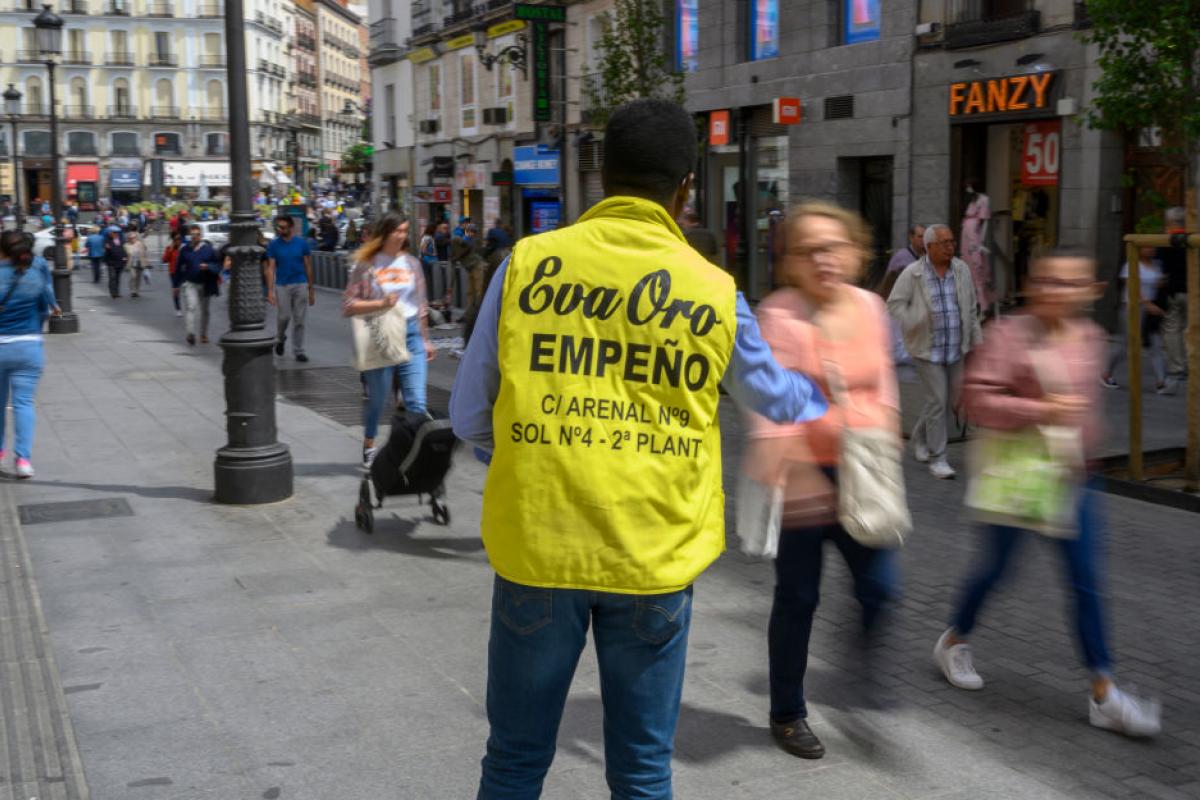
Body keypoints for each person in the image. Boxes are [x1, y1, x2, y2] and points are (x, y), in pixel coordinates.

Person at [449, 98, 827, 799]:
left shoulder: (528, 264)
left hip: (539, 545)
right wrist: (830, 397)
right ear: (686, 186)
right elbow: (775, 398)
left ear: (603, 176)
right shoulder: (714, 291)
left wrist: (531, 457)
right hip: (653, 552)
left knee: (513, 761)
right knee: (643, 770)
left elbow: (469, 413)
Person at [933, 248, 1162, 739]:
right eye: (1049, 281)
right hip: (1017, 477)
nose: (1058, 291)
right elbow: (973, 399)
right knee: (995, 571)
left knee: (1086, 582)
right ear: (1032, 285)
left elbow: (1086, 411)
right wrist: (1039, 410)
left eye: (1071, 283)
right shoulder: (1009, 334)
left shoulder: (1091, 337)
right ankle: (953, 640)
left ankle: (1104, 692)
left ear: (1092, 290)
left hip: (1074, 478)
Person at [749, 202, 901, 760]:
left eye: (833, 247)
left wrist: (887, 432)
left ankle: (854, 668)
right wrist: (795, 463)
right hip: (802, 477)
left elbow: (883, 381)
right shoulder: (779, 315)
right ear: (789, 261)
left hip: (861, 471)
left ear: (856, 253)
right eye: (808, 251)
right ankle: (787, 713)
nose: (823, 259)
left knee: (880, 588)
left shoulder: (871, 307)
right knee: (798, 599)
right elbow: (769, 404)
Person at [887, 223, 983, 479]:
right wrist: (916, 319)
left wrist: (976, 341)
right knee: (938, 401)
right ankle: (938, 458)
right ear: (929, 247)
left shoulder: (961, 269)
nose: (950, 247)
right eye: (944, 243)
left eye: (952, 242)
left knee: (945, 401)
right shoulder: (913, 273)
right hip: (927, 350)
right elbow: (894, 305)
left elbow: (970, 308)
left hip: (956, 347)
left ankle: (919, 437)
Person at [343, 212, 435, 466]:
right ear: (384, 233)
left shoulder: (412, 263)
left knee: (417, 401)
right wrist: (381, 303)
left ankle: (411, 454)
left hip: (411, 334)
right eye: (397, 231)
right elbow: (348, 305)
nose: (401, 236)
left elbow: (421, 305)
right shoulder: (366, 265)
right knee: (378, 399)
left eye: (405, 231)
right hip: (381, 335)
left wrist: (426, 339)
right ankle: (369, 442)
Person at [0, 230, 60, 479]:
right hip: (28, 346)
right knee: (23, 403)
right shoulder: (35, 274)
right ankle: (23, 459)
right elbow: (45, 309)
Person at [1100, 246, 1167, 392]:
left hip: (1151, 309)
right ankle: (1106, 373)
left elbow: (1159, 283)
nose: (1151, 250)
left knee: (1155, 342)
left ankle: (1161, 382)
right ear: (1139, 249)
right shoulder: (1131, 264)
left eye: (1151, 247)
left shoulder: (1156, 264)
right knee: (1126, 344)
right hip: (1132, 307)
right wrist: (1147, 303)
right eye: (1146, 247)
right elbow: (1132, 286)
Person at [266, 216, 315, 363]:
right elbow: (270, 268)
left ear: (290, 228)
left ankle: (298, 350)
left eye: (283, 227)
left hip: (300, 283)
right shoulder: (274, 245)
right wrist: (270, 291)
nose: (280, 230)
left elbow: (308, 266)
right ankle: (280, 337)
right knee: (284, 317)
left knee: (299, 320)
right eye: (278, 227)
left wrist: (311, 289)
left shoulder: (302, 243)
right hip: (282, 285)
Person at [1157, 207, 1188, 396]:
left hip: (1174, 291)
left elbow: (1161, 268)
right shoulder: (1192, 238)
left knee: (1172, 329)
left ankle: (1177, 368)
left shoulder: (1165, 240)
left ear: (1171, 222)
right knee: (1190, 328)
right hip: (1193, 291)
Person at [177, 225, 220, 345]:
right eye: (193, 235)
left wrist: (208, 266)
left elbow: (217, 265)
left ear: (201, 236)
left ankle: (203, 334)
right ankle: (190, 333)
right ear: (190, 236)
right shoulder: (185, 250)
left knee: (205, 310)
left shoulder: (209, 249)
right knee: (191, 307)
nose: (195, 237)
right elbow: (178, 267)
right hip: (190, 283)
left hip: (205, 284)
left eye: (197, 234)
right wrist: (176, 284)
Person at [103, 228, 127, 299]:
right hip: (111, 262)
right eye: (113, 233)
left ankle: (117, 292)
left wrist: (125, 256)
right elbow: (106, 252)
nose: (115, 234)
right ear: (110, 233)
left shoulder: (121, 240)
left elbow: (123, 249)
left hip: (120, 262)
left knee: (117, 278)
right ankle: (113, 293)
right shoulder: (107, 241)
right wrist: (107, 248)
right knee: (112, 277)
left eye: (116, 233)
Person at [164, 231, 183, 317]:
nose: (178, 241)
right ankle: (178, 309)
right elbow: (164, 260)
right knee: (176, 290)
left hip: (184, 272)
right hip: (173, 273)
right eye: (176, 239)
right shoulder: (169, 248)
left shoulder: (184, 248)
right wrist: (170, 250)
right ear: (173, 240)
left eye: (180, 239)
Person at [124, 230, 149, 298]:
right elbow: (125, 254)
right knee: (133, 276)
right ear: (128, 239)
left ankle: (137, 291)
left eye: (134, 237)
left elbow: (144, 252)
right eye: (131, 238)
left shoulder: (140, 243)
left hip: (139, 262)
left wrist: (146, 262)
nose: (132, 239)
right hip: (131, 263)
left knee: (138, 278)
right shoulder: (126, 245)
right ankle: (132, 290)